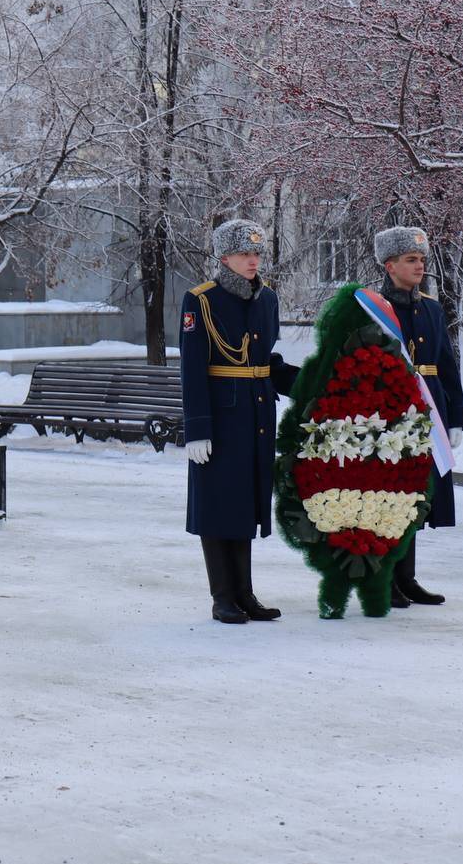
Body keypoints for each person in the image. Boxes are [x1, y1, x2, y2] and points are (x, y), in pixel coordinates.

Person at [180, 218, 298, 624]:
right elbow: (192, 368)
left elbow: (266, 362)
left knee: (245, 503)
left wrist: (313, 383)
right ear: (224, 258)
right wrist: (197, 427)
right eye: (244, 254)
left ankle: (245, 593)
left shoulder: (267, 299)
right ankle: (222, 597)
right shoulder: (201, 301)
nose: (253, 261)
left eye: (256, 254)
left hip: (257, 414)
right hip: (220, 418)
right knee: (218, 503)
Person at [373, 227, 463, 607]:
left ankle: (406, 577)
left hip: (429, 410)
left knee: (415, 494)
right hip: (388, 412)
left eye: (422, 259)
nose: (419, 266)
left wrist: (455, 417)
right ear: (390, 265)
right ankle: (385, 579)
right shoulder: (372, 308)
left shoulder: (430, 307)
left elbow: (446, 364)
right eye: (411, 260)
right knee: (389, 497)